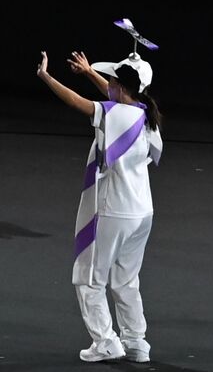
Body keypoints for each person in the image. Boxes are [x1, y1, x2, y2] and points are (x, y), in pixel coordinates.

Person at [38, 49, 163, 364]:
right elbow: (116, 97)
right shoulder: (147, 114)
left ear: (120, 86)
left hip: (114, 211)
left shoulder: (116, 114)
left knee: (89, 277)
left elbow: (78, 103)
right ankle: (136, 343)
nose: (107, 84)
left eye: (110, 80)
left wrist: (46, 77)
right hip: (142, 213)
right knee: (126, 280)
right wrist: (90, 73)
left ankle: (106, 341)